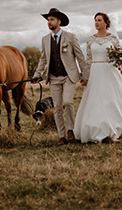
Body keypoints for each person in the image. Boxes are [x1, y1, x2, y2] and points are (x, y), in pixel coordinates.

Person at [73, 12, 122, 143]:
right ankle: (96, 129)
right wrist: (85, 75)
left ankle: (114, 129)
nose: (96, 22)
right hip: (95, 72)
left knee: (111, 100)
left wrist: (120, 59)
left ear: (106, 23)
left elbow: (118, 57)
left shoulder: (113, 39)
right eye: (95, 20)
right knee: (95, 101)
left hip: (110, 71)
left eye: (99, 20)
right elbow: (88, 59)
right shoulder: (90, 40)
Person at [31, 8, 89, 145]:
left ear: (59, 21)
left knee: (67, 102)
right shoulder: (45, 39)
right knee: (57, 107)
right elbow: (43, 59)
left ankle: (71, 130)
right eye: (48, 20)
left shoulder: (71, 37)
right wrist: (37, 74)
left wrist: (85, 75)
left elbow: (80, 57)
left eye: (52, 19)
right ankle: (62, 136)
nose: (49, 22)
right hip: (53, 78)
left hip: (69, 76)